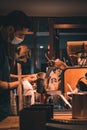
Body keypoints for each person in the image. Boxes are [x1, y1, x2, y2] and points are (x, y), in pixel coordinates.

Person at [0, 10, 33, 121]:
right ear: (10, 29)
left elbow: (5, 75)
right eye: (20, 34)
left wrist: (24, 78)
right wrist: (21, 82)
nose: (22, 38)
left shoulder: (4, 45)